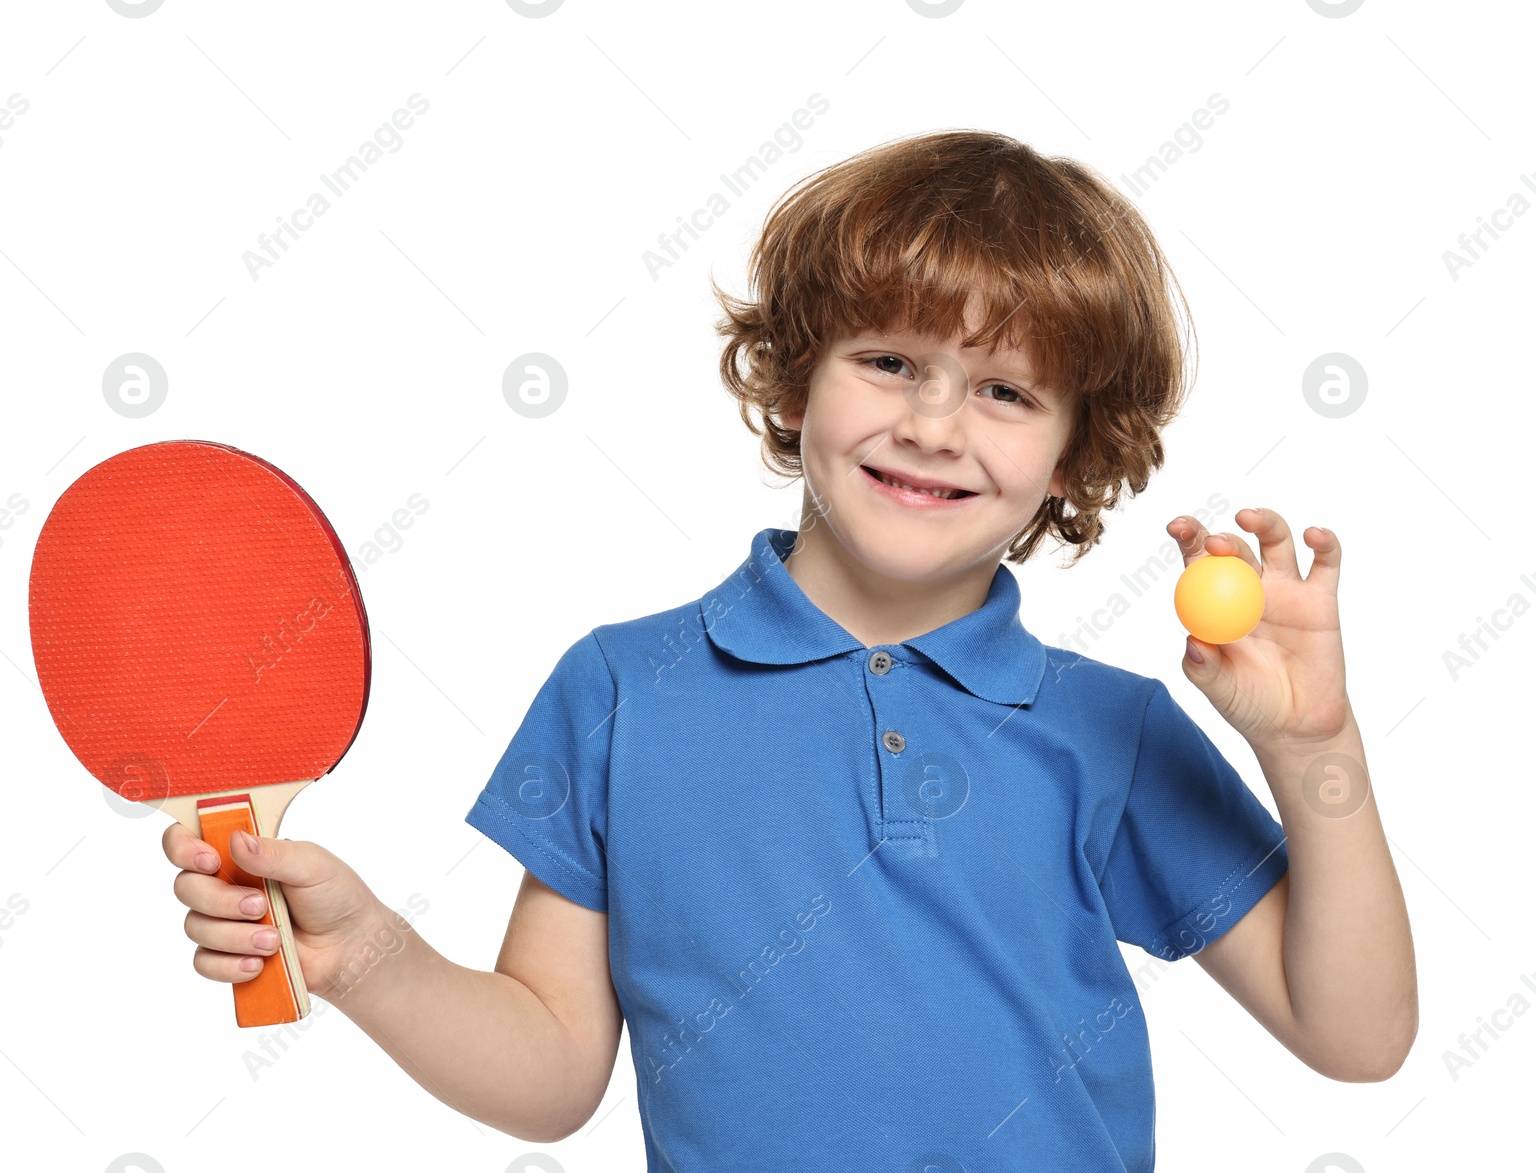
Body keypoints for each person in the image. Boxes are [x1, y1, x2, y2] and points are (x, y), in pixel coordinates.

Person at [162, 130, 1417, 1170]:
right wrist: (367, 954)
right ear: (793, 374)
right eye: (888, 361)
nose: (932, 425)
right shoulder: (620, 689)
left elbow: (1355, 1036)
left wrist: (1316, 749)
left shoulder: (1113, 727)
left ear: (1074, 456)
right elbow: (548, 1077)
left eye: (1005, 392)